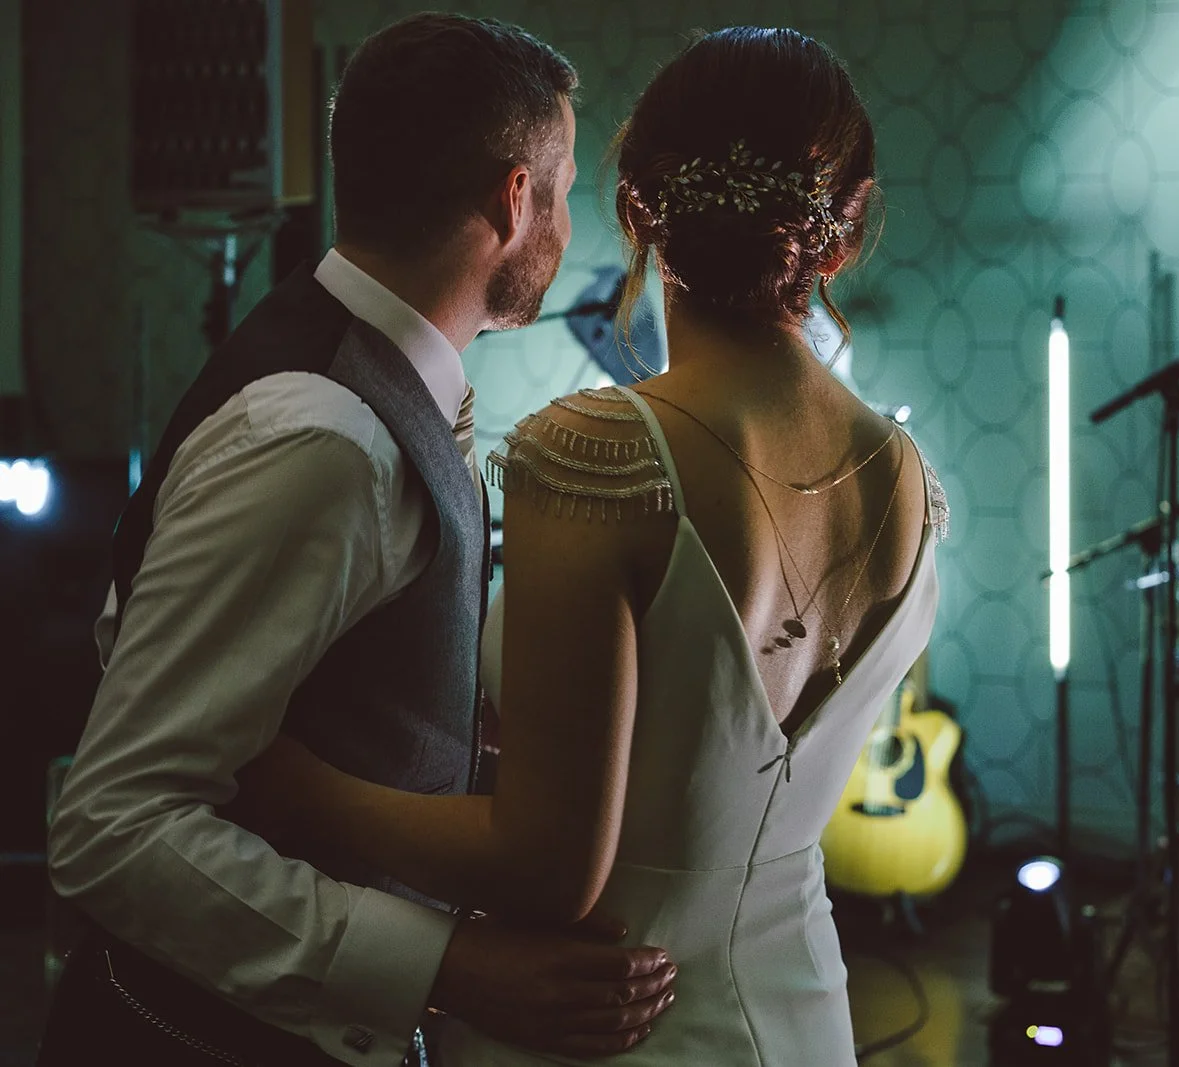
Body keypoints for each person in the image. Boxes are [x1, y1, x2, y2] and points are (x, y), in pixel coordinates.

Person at [233, 26, 944, 1066]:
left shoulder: (599, 451)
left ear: (638, 212)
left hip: (604, 1020)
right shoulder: (912, 479)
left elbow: (546, 863)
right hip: (803, 1013)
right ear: (845, 228)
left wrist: (294, 785)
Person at [40, 14, 676, 1066]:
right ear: (514, 199)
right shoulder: (320, 437)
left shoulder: (374, 391)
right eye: (561, 191)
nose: (565, 224)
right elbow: (115, 827)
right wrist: (445, 965)